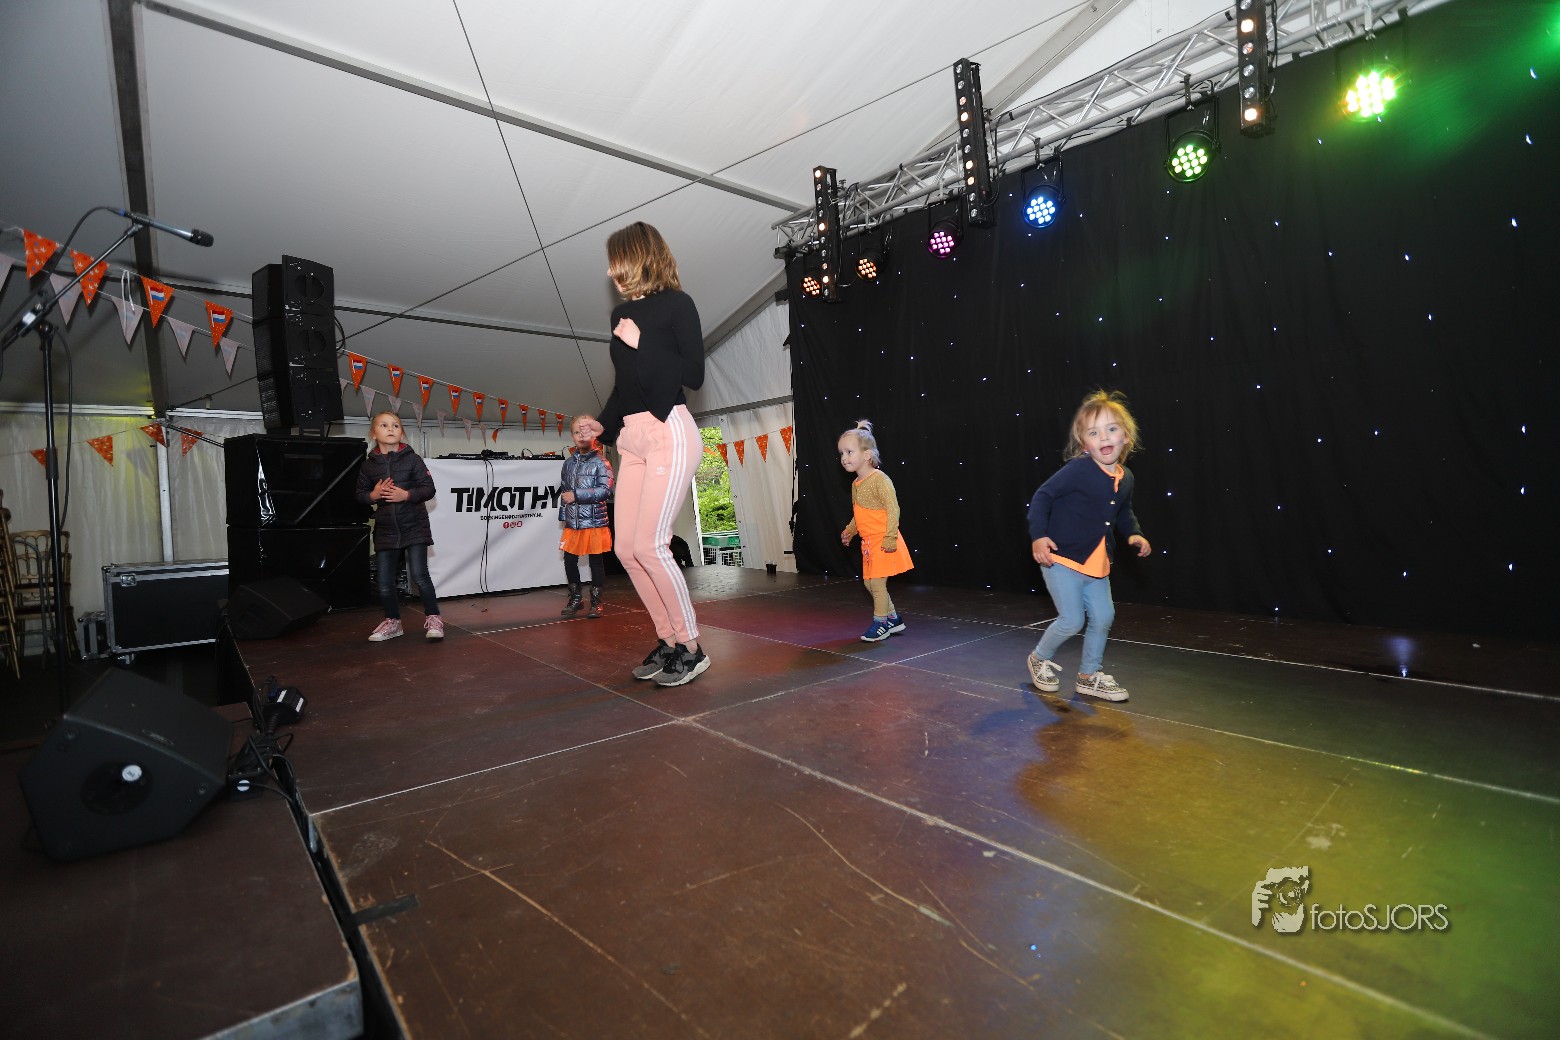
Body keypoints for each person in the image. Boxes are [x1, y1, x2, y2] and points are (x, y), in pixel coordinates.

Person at [575, 222, 708, 687]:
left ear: (640, 258)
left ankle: (692, 647)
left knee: (652, 545)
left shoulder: (678, 304)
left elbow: (694, 374)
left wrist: (642, 342)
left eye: (617, 264)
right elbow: (625, 385)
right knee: (626, 549)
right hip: (631, 437)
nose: (611, 274)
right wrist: (602, 424)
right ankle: (668, 640)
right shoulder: (621, 315)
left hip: (669, 429)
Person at [1025, 390, 1152, 701]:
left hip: (1098, 564)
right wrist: (1039, 535)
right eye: (1094, 433)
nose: (1104, 437)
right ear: (1084, 443)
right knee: (1072, 620)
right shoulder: (1079, 469)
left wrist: (1134, 533)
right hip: (1062, 559)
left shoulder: (1126, 477)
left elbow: (1123, 511)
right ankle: (1039, 659)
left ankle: (1088, 676)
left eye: (1111, 429)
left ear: (1126, 436)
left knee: (1104, 617)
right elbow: (1042, 497)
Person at [355, 411, 444, 641]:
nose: (390, 429)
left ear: (402, 433)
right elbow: (360, 495)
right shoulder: (368, 466)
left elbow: (428, 488)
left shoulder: (413, 460)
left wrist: (406, 495)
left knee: (420, 575)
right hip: (386, 529)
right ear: (373, 433)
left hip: (414, 525)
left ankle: (434, 618)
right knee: (384, 582)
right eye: (384, 425)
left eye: (395, 425)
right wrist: (374, 495)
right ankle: (393, 622)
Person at [838, 420, 913, 642]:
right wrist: (850, 530)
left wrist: (890, 537)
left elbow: (893, 509)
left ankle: (881, 623)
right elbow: (860, 512)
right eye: (841, 453)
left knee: (878, 584)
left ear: (867, 455)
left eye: (849, 452)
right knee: (869, 583)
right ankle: (893, 618)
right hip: (868, 543)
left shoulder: (880, 480)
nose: (844, 458)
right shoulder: (856, 484)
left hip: (883, 540)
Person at [558, 414, 613, 619]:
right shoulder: (568, 464)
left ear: (594, 434)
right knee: (569, 559)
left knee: (595, 561)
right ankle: (576, 598)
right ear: (572, 436)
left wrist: (577, 495)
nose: (581, 436)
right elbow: (565, 494)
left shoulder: (602, 462)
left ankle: (596, 601)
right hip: (573, 522)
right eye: (576, 432)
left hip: (595, 521)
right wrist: (564, 517)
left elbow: (606, 491)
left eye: (585, 432)